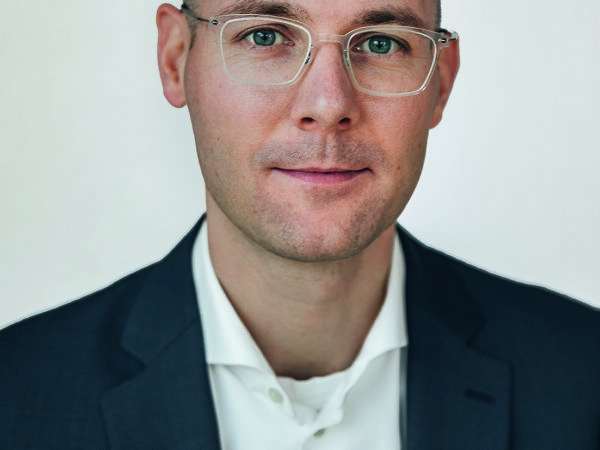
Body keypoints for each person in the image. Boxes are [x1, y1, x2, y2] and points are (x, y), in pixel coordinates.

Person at [1, 0, 599, 448]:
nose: (328, 104)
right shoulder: (16, 397)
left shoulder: (583, 379)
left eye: (382, 43)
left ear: (440, 81)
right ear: (175, 58)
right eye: (265, 35)